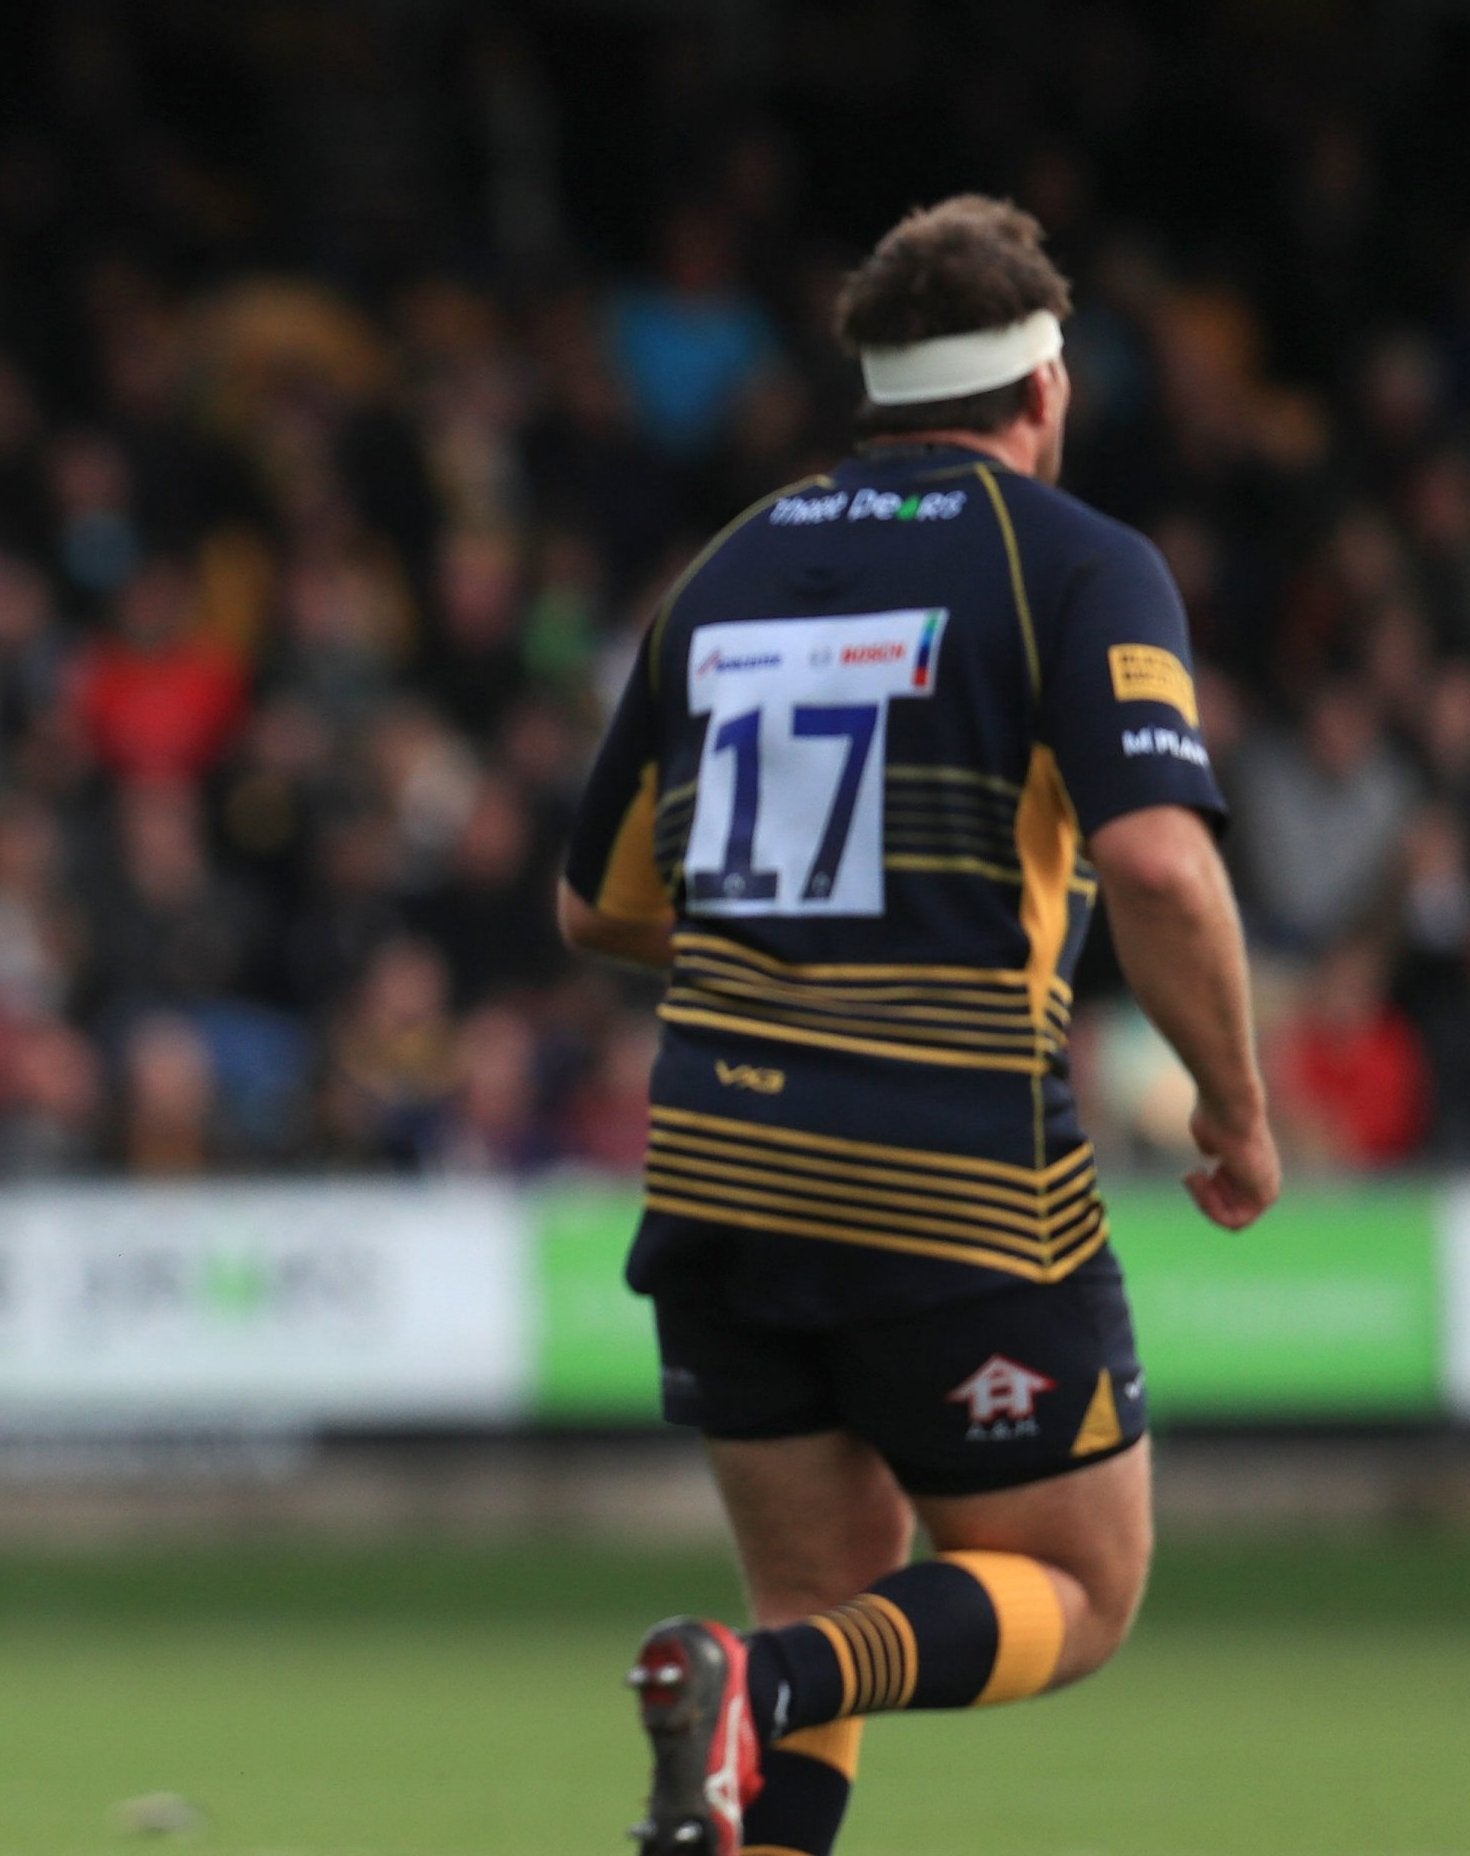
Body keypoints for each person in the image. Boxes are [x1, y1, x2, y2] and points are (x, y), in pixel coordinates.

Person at [558, 196, 1278, 1856]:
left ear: (872, 393)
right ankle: (754, 1683)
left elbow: (594, 903)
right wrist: (1237, 1107)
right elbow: (1161, 867)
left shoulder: (724, 571)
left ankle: (755, 1692)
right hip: (947, 1181)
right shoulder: (1078, 563)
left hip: (721, 1179)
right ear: (1046, 388)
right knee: (1075, 1592)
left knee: (828, 1599)